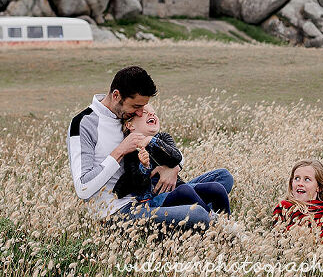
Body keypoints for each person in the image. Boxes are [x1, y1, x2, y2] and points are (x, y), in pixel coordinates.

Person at [66, 65, 233, 228]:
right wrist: (120, 151)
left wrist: (173, 168)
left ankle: (195, 208)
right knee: (198, 215)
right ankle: (211, 218)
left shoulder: (125, 115)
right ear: (116, 96)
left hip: (152, 192)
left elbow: (167, 148)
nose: (140, 113)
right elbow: (83, 188)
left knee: (222, 178)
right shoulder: (83, 124)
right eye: (137, 107)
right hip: (119, 210)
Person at [113, 104, 231, 215]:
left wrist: (151, 141)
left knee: (217, 187)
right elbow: (128, 187)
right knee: (184, 191)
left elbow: (176, 157)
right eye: (145, 113)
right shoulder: (131, 150)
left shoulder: (163, 138)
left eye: (154, 113)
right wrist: (144, 167)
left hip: (179, 189)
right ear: (130, 125)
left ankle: (225, 223)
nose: (152, 115)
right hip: (155, 200)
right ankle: (212, 221)